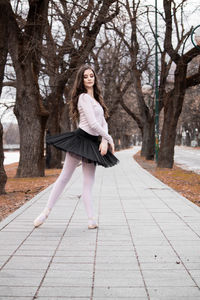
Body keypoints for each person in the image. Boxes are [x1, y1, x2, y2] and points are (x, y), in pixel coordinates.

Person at [33, 65, 119, 229]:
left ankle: (91, 219)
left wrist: (104, 140)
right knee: (65, 177)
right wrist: (109, 138)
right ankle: (45, 212)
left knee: (88, 183)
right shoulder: (83, 98)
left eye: (91, 76)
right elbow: (93, 123)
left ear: (95, 78)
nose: (89, 78)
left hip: (93, 143)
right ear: (81, 80)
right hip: (80, 141)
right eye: (85, 76)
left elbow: (103, 122)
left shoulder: (97, 100)